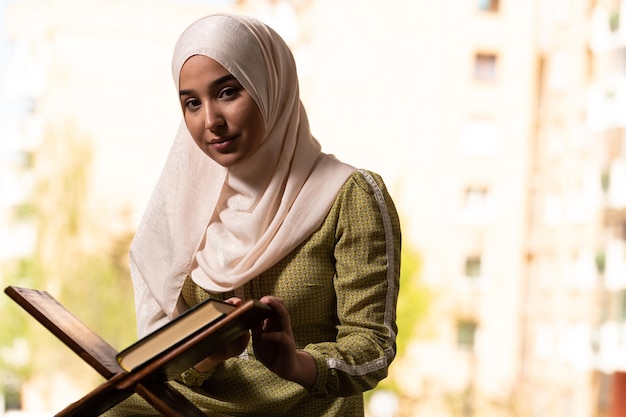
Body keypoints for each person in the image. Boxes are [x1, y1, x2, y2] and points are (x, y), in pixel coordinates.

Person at [106, 12, 401, 417]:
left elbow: (373, 347)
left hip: (308, 408)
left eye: (228, 92)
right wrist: (207, 355)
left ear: (271, 87)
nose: (210, 121)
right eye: (192, 103)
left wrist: (294, 363)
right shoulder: (189, 205)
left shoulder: (349, 195)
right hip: (198, 406)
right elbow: (170, 359)